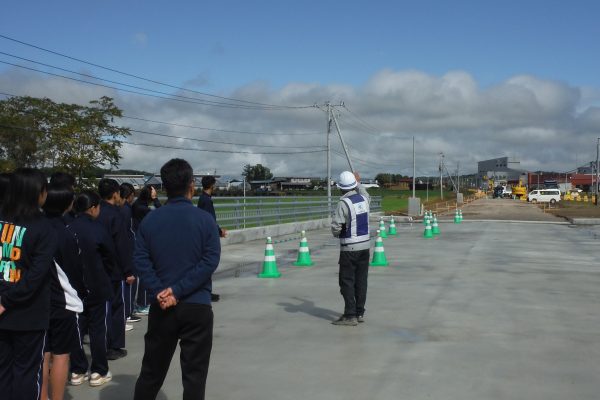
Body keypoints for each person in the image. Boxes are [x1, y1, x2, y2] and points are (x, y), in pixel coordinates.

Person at [133, 158, 221, 400]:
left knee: (151, 372)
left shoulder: (150, 220)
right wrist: (178, 290)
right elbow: (209, 261)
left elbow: (140, 260)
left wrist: (161, 291)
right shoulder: (205, 220)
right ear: (191, 185)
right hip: (197, 305)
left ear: (163, 187)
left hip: (162, 306)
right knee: (194, 376)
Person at [0, 168, 57, 399]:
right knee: (27, 372)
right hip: (28, 314)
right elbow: (36, 276)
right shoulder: (43, 227)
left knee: (3, 371)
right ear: (38, 192)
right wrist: (6, 300)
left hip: (5, 309)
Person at [41, 182, 85, 400]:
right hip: (62, 300)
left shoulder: (35, 226)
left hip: (37, 299)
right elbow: (74, 270)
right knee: (60, 355)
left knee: (43, 353)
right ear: (67, 204)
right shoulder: (65, 234)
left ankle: (42, 395)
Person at [68, 190, 116, 387]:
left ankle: (77, 369)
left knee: (77, 329)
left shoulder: (68, 227)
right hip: (97, 285)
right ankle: (98, 370)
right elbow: (110, 257)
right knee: (98, 329)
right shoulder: (98, 228)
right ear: (94, 207)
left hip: (73, 287)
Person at [96, 178, 134, 360]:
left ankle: (102, 342)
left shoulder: (95, 211)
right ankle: (114, 345)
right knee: (116, 307)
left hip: (96, 267)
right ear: (115, 194)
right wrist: (128, 270)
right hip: (114, 269)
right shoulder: (115, 215)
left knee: (100, 309)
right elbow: (122, 245)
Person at [330, 171, 371, 326]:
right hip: (365, 246)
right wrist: (358, 182)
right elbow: (365, 192)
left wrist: (338, 234)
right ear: (354, 185)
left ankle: (350, 315)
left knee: (346, 281)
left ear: (340, 188)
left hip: (349, 248)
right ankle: (359, 312)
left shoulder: (343, 203)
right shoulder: (365, 199)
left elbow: (336, 227)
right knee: (361, 281)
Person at [131, 185, 161, 314]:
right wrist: (156, 199)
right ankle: (143, 303)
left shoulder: (137, 204)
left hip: (138, 240)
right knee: (145, 272)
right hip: (142, 242)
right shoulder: (142, 208)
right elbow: (162, 213)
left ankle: (141, 303)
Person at [197, 175, 227, 302]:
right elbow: (210, 220)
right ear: (211, 186)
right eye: (214, 185)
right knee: (207, 264)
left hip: (203, 234)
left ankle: (206, 292)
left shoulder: (203, 198)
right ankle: (205, 293)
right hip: (207, 237)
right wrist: (219, 231)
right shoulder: (206, 200)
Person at [119, 183, 140, 325]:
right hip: (129, 250)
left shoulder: (121, 209)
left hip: (125, 251)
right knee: (130, 283)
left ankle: (127, 311)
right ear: (130, 195)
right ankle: (127, 312)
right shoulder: (126, 210)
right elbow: (129, 233)